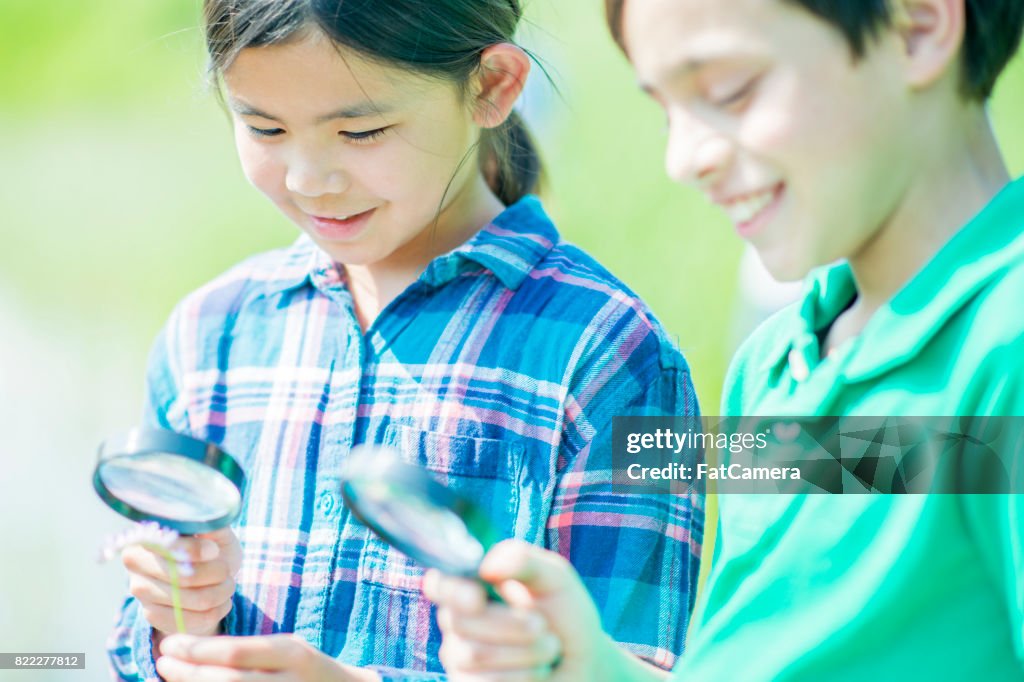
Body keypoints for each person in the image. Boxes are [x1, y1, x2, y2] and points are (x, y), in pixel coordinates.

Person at [104, 1, 705, 680]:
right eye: (265, 127)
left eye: (361, 131)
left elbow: (625, 665)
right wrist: (180, 617)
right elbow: (137, 642)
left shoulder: (608, 353)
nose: (309, 179)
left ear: (493, 87)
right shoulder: (209, 335)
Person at [424, 0, 1024, 679]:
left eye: (728, 91)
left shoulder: (1007, 341)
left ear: (917, 27)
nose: (685, 158)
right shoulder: (775, 363)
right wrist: (583, 661)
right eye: (666, 109)